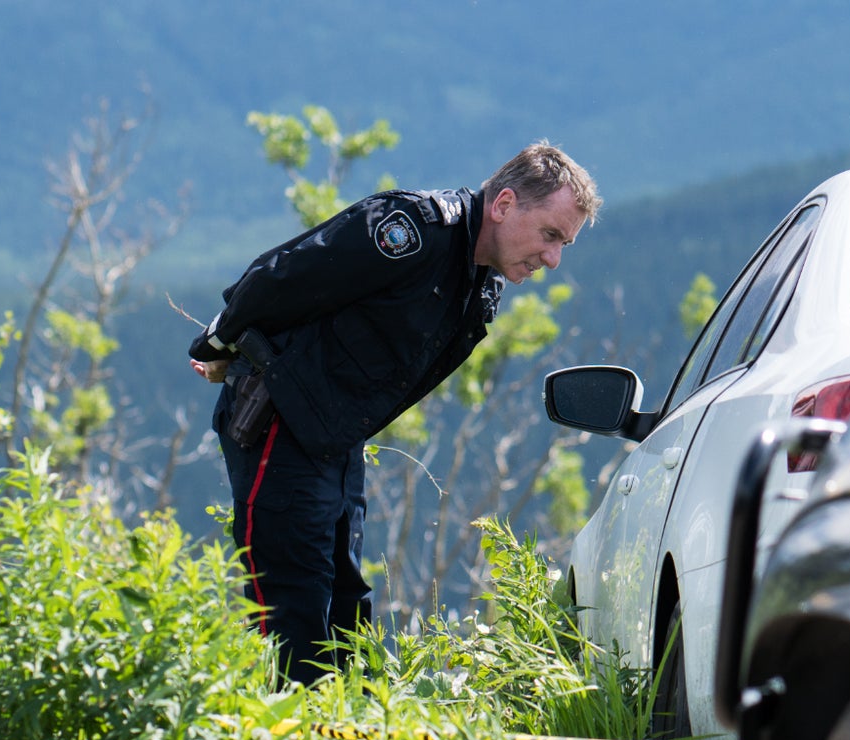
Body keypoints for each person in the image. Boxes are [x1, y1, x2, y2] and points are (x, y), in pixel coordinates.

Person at [188, 141, 601, 686]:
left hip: (336, 443)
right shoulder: (412, 229)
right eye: (550, 235)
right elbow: (285, 275)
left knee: (347, 612)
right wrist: (218, 344)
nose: (553, 259)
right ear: (503, 204)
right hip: (279, 426)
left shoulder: (479, 288)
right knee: (291, 613)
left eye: (564, 244)